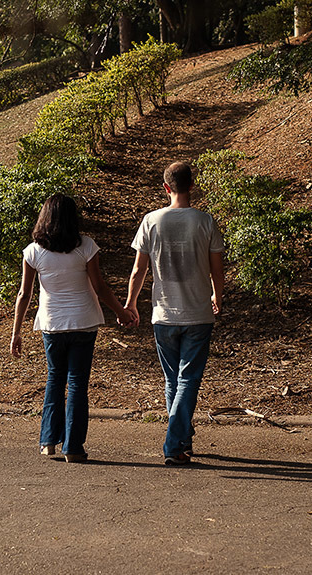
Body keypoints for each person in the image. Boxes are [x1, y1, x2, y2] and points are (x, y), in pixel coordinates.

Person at [10, 194, 136, 463]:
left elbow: (24, 293)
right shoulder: (86, 247)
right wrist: (121, 313)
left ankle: (48, 441)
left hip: (52, 324)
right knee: (77, 382)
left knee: (55, 378)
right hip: (84, 323)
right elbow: (100, 287)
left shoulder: (33, 251)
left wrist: (16, 332)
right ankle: (74, 447)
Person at [125, 161, 224, 466]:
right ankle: (173, 444)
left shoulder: (151, 221)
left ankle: (183, 439)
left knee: (173, 381)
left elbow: (138, 270)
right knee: (188, 380)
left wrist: (130, 303)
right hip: (197, 312)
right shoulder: (205, 221)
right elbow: (217, 270)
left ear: (166, 188)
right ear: (192, 186)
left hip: (163, 313)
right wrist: (217, 296)